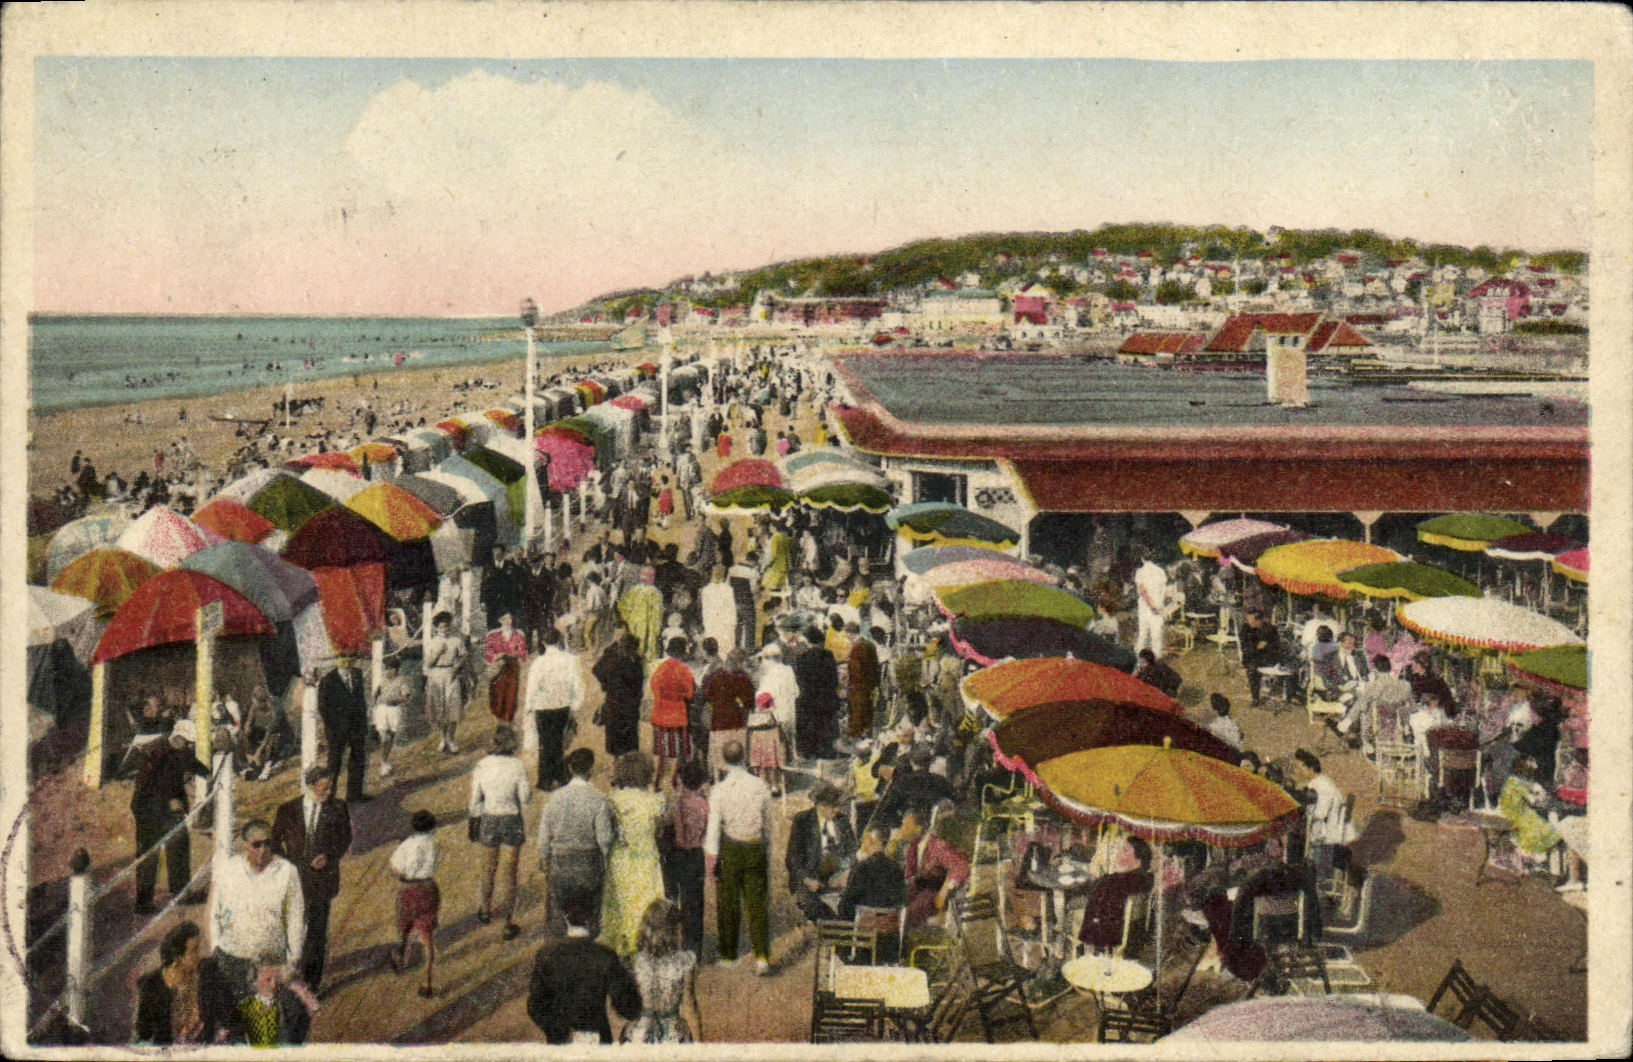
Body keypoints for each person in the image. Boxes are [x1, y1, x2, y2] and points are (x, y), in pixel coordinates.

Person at [269, 767, 353, 992]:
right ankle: (285, 972)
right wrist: (290, 864)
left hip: (322, 880)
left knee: (317, 931)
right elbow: (274, 842)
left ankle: (311, 982)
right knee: (290, 927)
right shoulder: (288, 810)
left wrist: (329, 856)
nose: (329, 793)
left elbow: (345, 838)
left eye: (331, 788)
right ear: (311, 787)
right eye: (324, 789)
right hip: (294, 879)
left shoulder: (338, 808)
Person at [208, 820, 305, 1010]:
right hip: (234, 958)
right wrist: (215, 946)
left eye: (268, 843)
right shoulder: (229, 869)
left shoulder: (287, 871)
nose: (263, 850)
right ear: (246, 845)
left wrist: (294, 957)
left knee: (269, 1016)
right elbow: (215, 913)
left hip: (270, 961)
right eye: (257, 845)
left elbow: (295, 917)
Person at [526, 896, 642, 1045]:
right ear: (593, 918)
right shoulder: (605, 955)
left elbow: (535, 1007)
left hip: (559, 1041)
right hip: (598, 1038)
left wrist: (558, 1030)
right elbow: (629, 1007)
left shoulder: (547, 954)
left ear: (565, 917)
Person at [705, 739, 775, 974]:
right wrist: (767, 845)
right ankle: (762, 956)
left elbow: (713, 828)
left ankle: (728, 955)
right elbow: (768, 821)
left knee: (728, 902)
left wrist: (712, 859)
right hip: (755, 845)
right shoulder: (760, 785)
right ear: (744, 757)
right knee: (757, 903)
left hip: (731, 846)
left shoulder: (719, 790)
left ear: (724, 761)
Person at [130, 719, 210, 914]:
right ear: (178, 738)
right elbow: (145, 787)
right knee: (149, 855)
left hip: (171, 810)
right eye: (187, 742)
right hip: (149, 809)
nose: (189, 746)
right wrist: (168, 801)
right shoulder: (154, 752)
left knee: (179, 846)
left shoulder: (181, 750)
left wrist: (208, 773)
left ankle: (181, 894)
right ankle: (143, 904)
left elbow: (192, 763)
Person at [599, 751, 669, 958]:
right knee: (645, 902)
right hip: (646, 857)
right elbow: (660, 828)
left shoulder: (613, 800)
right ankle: (643, 945)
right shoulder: (655, 801)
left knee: (620, 902)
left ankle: (620, 946)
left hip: (620, 857)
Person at [538, 747, 615, 932]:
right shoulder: (598, 800)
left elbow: (544, 836)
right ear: (590, 770)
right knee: (589, 918)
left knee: (558, 917)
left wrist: (544, 858)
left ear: (570, 769)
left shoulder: (554, 798)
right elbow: (604, 841)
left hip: (560, 862)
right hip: (588, 864)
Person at [469, 724, 532, 940]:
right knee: (510, 872)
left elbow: (475, 800)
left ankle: (485, 909)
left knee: (489, 868)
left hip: (489, 817)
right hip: (511, 817)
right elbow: (525, 798)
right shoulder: (517, 765)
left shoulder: (482, 765)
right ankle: (507, 922)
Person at [624, 899, 704, 1044]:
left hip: (638, 1034)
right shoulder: (685, 961)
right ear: (673, 931)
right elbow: (689, 1005)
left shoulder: (634, 960)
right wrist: (698, 1045)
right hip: (673, 1035)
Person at [785, 783, 857, 924]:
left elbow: (852, 850)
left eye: (838, 806)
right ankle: (835, 929)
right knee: (811, 905)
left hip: (838, 875)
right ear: (821, 806)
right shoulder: (803, 820)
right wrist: (807, 879)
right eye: (833, 806)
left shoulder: (842, 820)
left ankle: (841, 929)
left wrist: (845, 871)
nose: (837, 810)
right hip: (810, 878)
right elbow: (792, 858)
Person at [892, 803, 971, 933]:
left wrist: (944, 891)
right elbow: (909, 877)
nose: (902, 830)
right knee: (893, 905)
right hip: (919, 889)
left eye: (906, 826)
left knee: (911, 913)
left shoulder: (936, 846)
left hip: (935, 892)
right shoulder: (912, 848)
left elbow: (961, 866)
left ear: (918, 829)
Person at [388, 809, 440, 998]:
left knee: (405, 928)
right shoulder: (435, 843)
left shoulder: (407, 844)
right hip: (429, 889)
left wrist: (402, 874)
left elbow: (394, 868)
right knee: (427, 937)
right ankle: (427, 981)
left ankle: (402, 959)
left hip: (409, 890)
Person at [525, 627, 584, 791]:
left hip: (542, 706)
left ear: (544, 643)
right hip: (562, 705)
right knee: (558, 740)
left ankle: (545, 779)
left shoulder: (539, 662)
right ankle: (560, 775)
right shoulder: (570, 660)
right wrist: (576, 705)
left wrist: (529, 706)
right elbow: (577, 684)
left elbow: (532, 686)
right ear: (560, 641)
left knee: (544, 742)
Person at [665, 757, 711, 957]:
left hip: (678, 854)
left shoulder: (677, 803)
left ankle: (673, 945)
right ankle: (693, 950)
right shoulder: (704, 804)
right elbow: (708, 833)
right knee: (695, 902)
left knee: (673, 898)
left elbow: (677, 832)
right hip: (696, 854)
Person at [1079, 836, 1155, 955]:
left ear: (1138, 859)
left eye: (1125, 851)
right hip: (1131, 935)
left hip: (1109, 940)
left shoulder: (1116, 882)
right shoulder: (1145, 880)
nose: (1118, 854)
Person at [134, 922, 204, 1045]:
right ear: (178, 956)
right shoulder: (150, 983)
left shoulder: (202, 979)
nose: (199, 956)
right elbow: (143, 1033)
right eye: (194, 951)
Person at [1290, 749, 1357, 877]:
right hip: (1328, 835)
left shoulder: (1321, 785)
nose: (1296, 771)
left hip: (1328, 840)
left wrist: (1300, 811)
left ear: (1310, 768)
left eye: (1299, 767)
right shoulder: (1320, 782)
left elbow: (1320, 814)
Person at [649, 637, 698, 791]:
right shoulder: (684, 670)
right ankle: (673, 781)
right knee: (677, 751)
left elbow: (653, 685)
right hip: (677, 715)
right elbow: (690, 694)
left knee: (660, 751)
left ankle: (657, 780)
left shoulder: (661, 667)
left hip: (660, 713)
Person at [232, 960, 315, 1047]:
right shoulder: (246, 1006)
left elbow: (312, 1012)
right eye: (268, 980)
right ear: (256, 982)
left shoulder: (287, 1005)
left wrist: (300, 990)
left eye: (277, 980)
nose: (274, 985)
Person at [839, 826, 908, 922]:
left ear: (872, 842)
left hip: (863, 927)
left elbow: (845, 906)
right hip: (889, 926)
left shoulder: (861, 868)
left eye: (866, 840)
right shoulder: (897, 869)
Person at [423, 612, 469, 753]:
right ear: (436, 628)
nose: (444, 629)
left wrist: (457, 666)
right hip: (436, 674)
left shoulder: (456, 640)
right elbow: (428, 663)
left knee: (453, 706)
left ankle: (451, 738)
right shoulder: (432, 642)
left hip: (451, 673)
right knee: (439, 708)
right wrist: (438, 652)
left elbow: (464, 655)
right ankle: (443, 739)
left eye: (447, 626)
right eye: (441, 627)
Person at [792, 626, 840, 760]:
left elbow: (800, 681)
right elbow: (834, 680)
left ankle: (810, 752)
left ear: (808, 641)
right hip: (826, 698)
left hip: (808, 699)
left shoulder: (801, 658)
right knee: (825, 727)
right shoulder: (828, 656)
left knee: (810, 727)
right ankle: (826, 752)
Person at [483, 612, 528, 724]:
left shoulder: (518, 634)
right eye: (504, 619)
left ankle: (508, 721)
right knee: (497, 694)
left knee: (511, 695)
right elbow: (488, 653)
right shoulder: (492, 635)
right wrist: (495, 659)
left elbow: (522, 653)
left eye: (509, 618)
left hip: (512, 668)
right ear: (499, 620)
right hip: (497, 668)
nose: (508, 621)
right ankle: (498, 722)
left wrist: (506, 654)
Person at [371, 658, 412, 779]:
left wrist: (396, 700)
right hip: (382, 709)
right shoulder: (382, 680)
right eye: (387, 668)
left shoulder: (401, 680)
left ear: (396, 669)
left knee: (390, 737)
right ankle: (383, 763)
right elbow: (376, 695)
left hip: (395, 710)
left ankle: (385, 761)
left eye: (391, 668)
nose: (389, 671)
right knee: (384, 738)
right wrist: (373, 708)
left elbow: (406, 697)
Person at [618, 567, 665, 659]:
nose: (648, 577)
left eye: (651, 575)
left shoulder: (656, 593)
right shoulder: (634, 590)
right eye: (645, 574)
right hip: (632, 624)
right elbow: (623, 607)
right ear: (640, 576)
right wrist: (624, 621)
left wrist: (656, 629)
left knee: (646, 649)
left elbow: (658, 613)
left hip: (649, 626)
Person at [1239, 611, 1282, 706]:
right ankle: (1255, 698)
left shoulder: (1270, 629)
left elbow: (1276, 647)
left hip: (1267, 658)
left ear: (1259, 620)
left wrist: (1262, 647)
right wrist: (1257, 647)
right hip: (1252, 658)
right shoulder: (1245, 629)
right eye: (1248, 619)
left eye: (1251, 620)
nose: (1248, 622)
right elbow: (1244, 648)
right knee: (1252, 670)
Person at [1132, 550, 1169, 659]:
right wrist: (1158, 604)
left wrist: (1150, 604)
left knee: (1143, 633)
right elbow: (1164, 591)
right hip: (1158, 605)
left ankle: (1139, 658)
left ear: (1143, 559)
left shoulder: (1140, 572)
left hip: (1145, 606)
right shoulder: (1161, 571)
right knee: (1156, 635)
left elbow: (1142, 591)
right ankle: (1155, 658)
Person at [847, 624, 881, 738]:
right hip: (870, 685)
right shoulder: (870, 644)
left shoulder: (857, 647)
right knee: (868, 712)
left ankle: (857, 737)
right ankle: (867, 734)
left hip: (859, 686)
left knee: (858, 714)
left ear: (851, 634)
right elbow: (876, 665)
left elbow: (856, 670)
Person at [699, 565, 737, 654]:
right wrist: (733, 623)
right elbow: (731, 608)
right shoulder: (728, 589)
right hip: (724, 623)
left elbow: (705, 609)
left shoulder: (706, 589)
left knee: (714, 646)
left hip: (712, 622)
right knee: (725, 646)